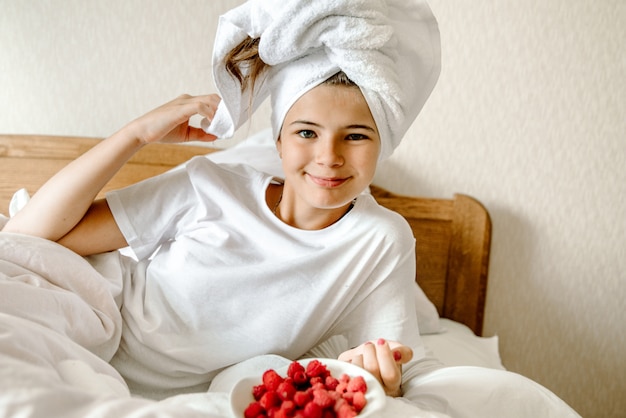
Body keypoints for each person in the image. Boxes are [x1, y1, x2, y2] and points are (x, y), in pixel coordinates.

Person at [2, 0, 441, 401]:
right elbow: (29, 237)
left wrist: (379, 375)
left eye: (357, 135)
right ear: (279, 141)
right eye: (306, 132)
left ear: (383, 143)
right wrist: (136, 134)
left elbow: (391, 364)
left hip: (207, 398)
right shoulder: (208, 185)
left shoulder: (382, 240)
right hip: (93, 341)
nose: (329, 157)